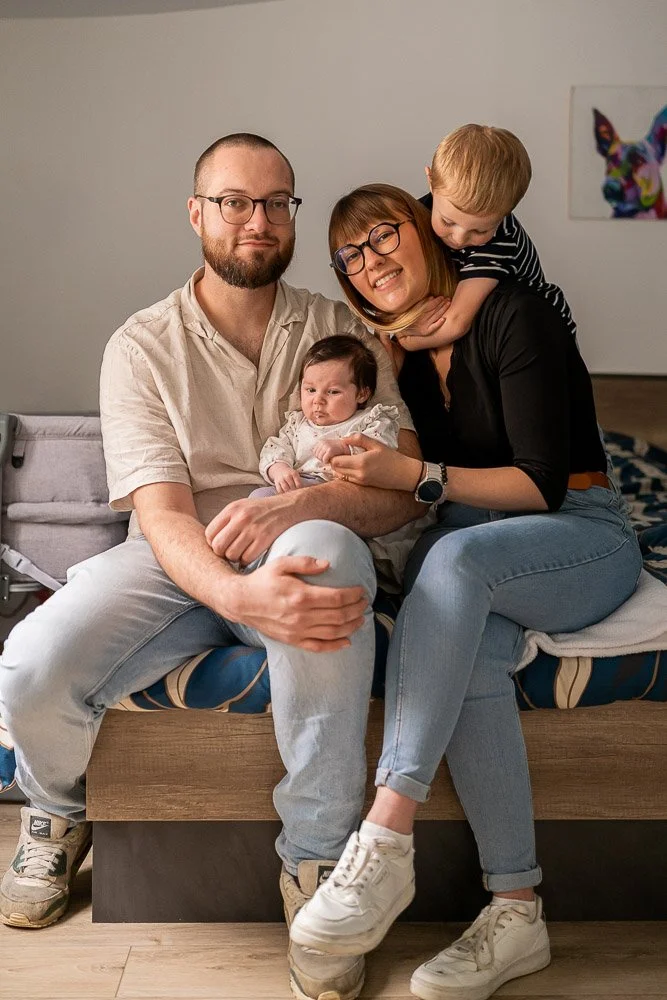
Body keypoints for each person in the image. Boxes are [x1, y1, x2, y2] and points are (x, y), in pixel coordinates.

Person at [0, 137, 424, 1000]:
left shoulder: (343, 332)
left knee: (329, 562)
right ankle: (57, 809)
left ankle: (317, 867)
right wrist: (237, 595)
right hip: (174, 556)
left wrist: (292, 511)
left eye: (275, 203)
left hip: (309, 543)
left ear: (292, 214)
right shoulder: (141, 345)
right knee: (29, 663)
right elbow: (160, 515)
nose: (256, 220)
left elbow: (403, 493)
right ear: (197, 213)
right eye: (234, 202)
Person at [289, 183, 643, 1000]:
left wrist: (414, 476)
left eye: (384, 236)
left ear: (425, 231)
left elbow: (542, 485)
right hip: (484, 545)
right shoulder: (399, 362)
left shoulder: (516, 312)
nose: (370, 262)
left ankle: (383, 838)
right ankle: (517, 911)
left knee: (448, 564)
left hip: (580, 533)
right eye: (350, 255)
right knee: (466, 644)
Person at [252, 333, 433, 589]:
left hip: (348, 495)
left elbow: (382, 451)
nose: (318, 400)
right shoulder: (297, 424)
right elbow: (275, 448)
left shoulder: (372, 420)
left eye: (333, 392)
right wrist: (279, 469)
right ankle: (256, 568)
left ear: (362, 393)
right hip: (300, 487)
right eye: (310, 389)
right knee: (258, 498)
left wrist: (344, 446)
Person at [398, 124, 577, 353]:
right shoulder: (415, 213)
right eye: (448, 222)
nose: (459, 238)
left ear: (505, 214)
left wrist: (405, 339)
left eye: (479, 231)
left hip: (540, 333)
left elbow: (457, 322)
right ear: (431, 183)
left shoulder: (501, 240)